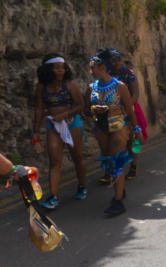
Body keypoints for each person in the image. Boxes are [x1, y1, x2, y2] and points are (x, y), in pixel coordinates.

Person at [86, 48, 140, 215]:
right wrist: (95, 108)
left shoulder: (120, 86)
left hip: (119, 126)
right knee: (108, 161)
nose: (91, 71)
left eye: (92, 67)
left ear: (102, 67)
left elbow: (129, 110)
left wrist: (136, 128)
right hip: (101, 128)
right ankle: (119, 189)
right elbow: (85, 109)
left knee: (117, 161)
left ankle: (117, 202)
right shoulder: (91, 87)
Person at [33, 54, 87, 209]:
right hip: (53, 126)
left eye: (62, 67)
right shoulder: (41, 87)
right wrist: (35, 131)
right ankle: (53, 197)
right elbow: (39, 108)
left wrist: (64, 115)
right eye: (57, 67)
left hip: (72, 124)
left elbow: (80, 105)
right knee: (54, 161)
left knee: (77, 157)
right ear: (48, 69)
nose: (61, 70)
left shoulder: (70, 85)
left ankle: (82, 185)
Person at [109, 48, 147, 181]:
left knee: (133, 139)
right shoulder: (107, 75)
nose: (117, 63)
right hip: (113, 110)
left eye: (118, 59)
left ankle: (134, 166)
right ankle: (112, 169)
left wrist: (127, 108)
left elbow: (135, 93)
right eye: (114, 60)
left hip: (130, 108)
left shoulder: (128, 73)